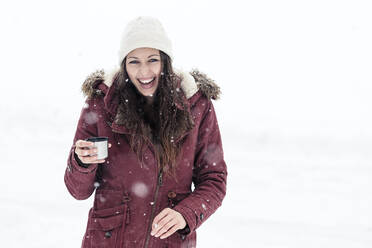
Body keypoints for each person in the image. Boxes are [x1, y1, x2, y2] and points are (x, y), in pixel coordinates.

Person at [64, 16, 227, 248]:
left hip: (169, 242)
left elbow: (214, 179)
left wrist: (185, 214)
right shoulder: (101, 103)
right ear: (124, 64)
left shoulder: (196, 105)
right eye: (134, 62)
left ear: (165, 61)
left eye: (152, 60)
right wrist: (81, 163)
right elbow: (78, 191)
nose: (144, 71)